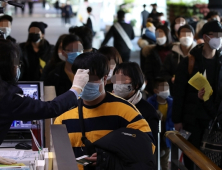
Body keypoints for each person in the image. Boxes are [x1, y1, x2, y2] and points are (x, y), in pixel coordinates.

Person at [54, 52, 155, 170]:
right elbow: (59, 156)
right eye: (81, 78)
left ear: (105, 78)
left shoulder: (126, 111)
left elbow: (147, 150)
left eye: (91, 78)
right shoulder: (64, 115)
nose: (85, 83)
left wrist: (109, 160)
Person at [0, 38, 89, 150]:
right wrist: (76, 89)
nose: (17, 67)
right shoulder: (7, 97)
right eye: (16, 63)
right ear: (7, 67)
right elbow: (50, 108)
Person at [172, 20, 222, 170]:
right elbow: (179, 92)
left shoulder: (220, 62)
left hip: (213, 118)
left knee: (212, 155)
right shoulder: (190, 62)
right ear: (206, 37)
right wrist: (177, 119)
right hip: (192, 117)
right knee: (191, 155)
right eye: (216, 36)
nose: (219, 39)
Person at [112, 62, 159, 148]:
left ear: (136, 84)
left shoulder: (147, 112)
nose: (117, 83)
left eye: (122, 79)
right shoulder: (108, 105)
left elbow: (151, 145)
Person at [161, 24, 197, 96]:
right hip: (176, 91)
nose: (186, 37)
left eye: (189, 34)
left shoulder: (199, 54)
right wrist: (171, 79)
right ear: (178, 36)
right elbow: (163, 72)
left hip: (195, 92)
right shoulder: (171, 55)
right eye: (183, 34)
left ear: (193, 36)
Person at [147, 77, 174, 170]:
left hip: (166, 136)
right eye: (163, 88)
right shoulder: (150, 102)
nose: (166, 90)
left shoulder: (171, 102)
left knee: (165, 162)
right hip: (154, 135)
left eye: (167, 87)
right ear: (156, 90)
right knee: (154, 159)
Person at [144, 25, 172, 95]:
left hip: (171, 83)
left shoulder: (174, 51)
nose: (158, 35)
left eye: (161, 33)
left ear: (167, 34)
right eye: (156, 34)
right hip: (157, 85)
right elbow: (148, 71)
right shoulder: (152, 52)